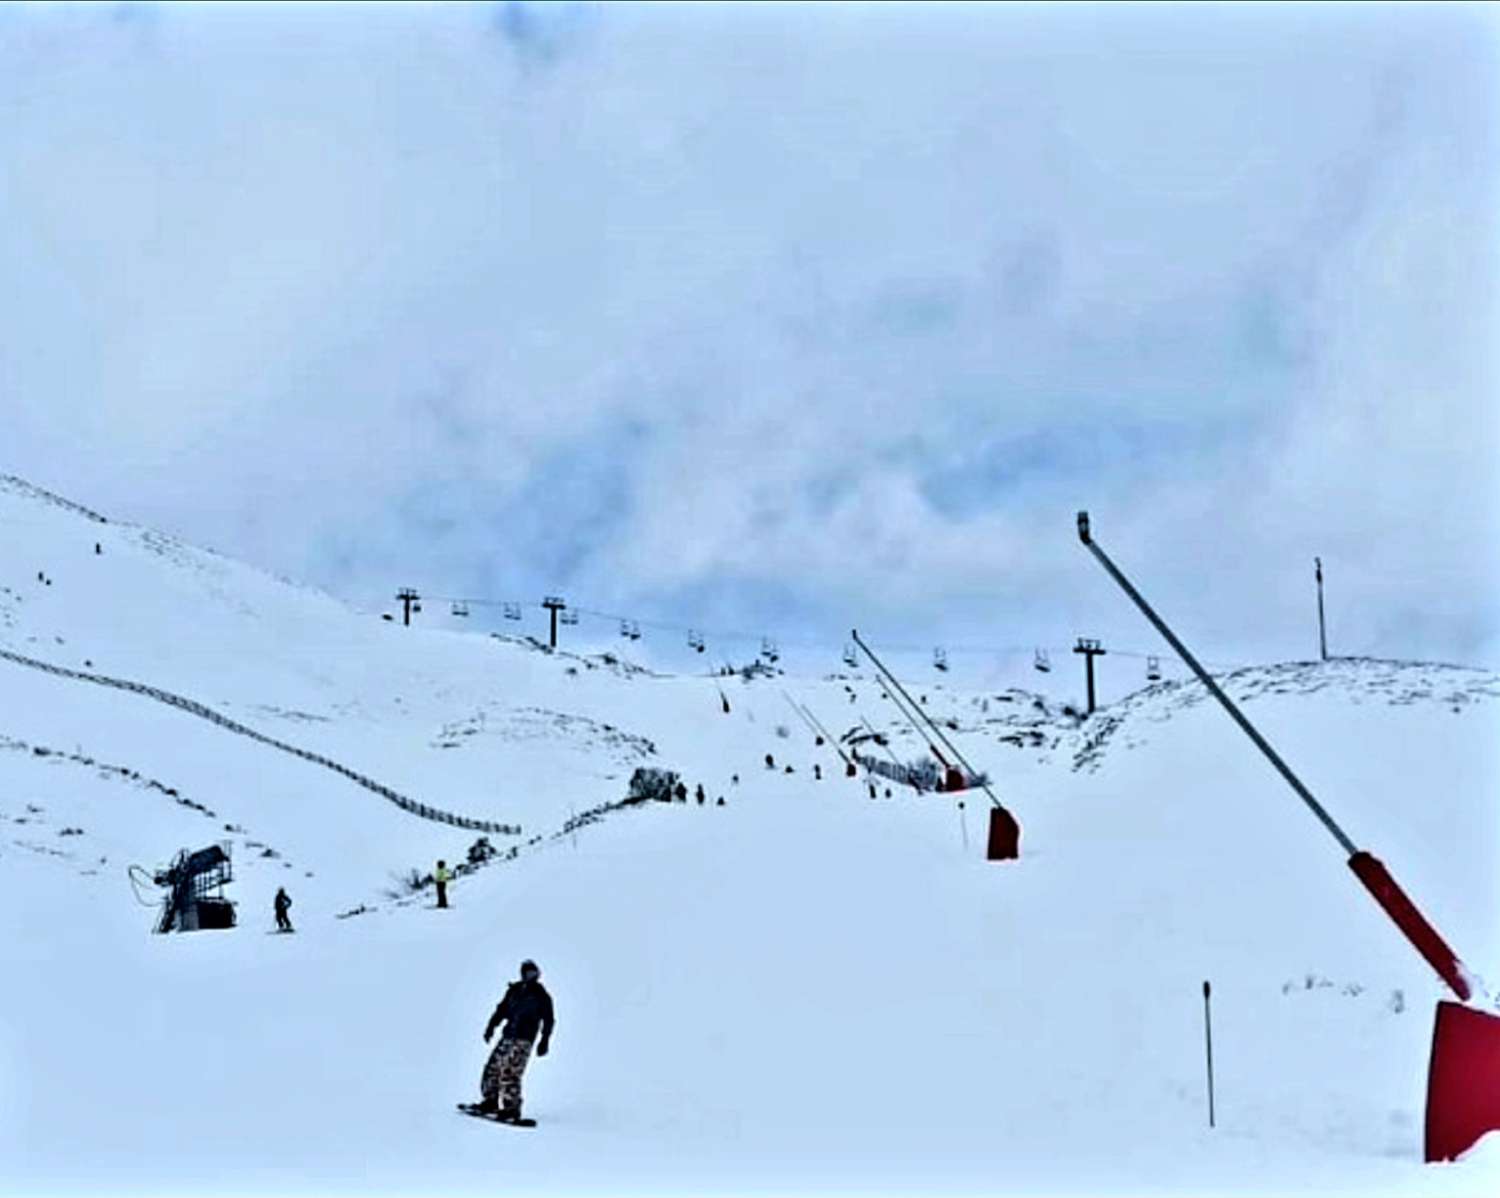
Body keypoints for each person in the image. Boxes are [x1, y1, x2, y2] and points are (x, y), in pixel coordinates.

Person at [467, 959, 555, 1122]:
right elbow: (501, 1010)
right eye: (528, 973)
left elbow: (549, 1019)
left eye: (534, 973)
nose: (531, 976)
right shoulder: (514, 991)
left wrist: (545, 1040)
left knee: (510, 1071)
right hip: (508, 1035)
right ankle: (490, 1101)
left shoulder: (541, 995)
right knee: (492, 1068)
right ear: (522, 974)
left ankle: (511, 1108)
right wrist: (491, 1026)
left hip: (524, 1038)